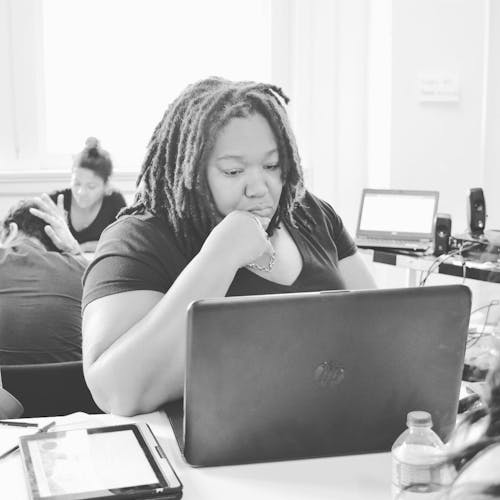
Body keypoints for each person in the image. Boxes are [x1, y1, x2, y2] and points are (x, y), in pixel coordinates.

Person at [81, 76, 377, 416]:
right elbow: (117, 393)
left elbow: (382, 331)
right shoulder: (137, 240)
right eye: (234, 171)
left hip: (331, 434)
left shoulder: (311, 214)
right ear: (188, 169)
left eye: (272, 165)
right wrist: (219, 257)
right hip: (199, 461)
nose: (258, 188)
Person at [0, 195, 86, 365]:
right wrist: (76, 251)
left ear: (11, 230)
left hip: (4, 389)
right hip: (68, 388)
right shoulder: (82, 270)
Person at [50, 137, 127, 252]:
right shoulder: (57, 200)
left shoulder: (114, 202)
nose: (81, 192)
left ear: (106, 186)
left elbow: (124, 242)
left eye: (91, 186)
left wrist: (84, 248)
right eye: (77, 184)